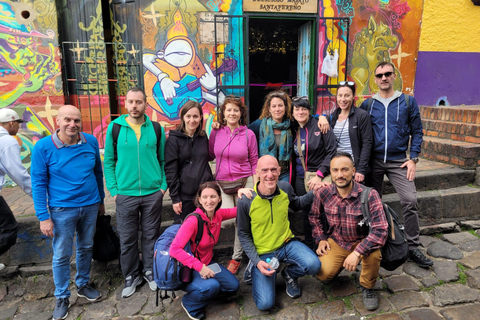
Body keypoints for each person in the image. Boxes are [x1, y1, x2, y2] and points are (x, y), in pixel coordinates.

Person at [31, 105, 105, 320]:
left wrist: (100, 201)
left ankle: (82, 284)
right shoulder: (43, 147)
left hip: (90, 205)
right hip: (61, 210)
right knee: (62, 254)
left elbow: (97, 173)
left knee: (86, 247)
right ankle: (62, 296)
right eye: (67, 120)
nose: (72, 124)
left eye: (76, 120)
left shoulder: (90, 141)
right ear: (58, 121)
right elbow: (38, 183)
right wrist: (43, 217)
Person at [360, 61, 433, 268]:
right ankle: (375, 242)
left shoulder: (407, 102)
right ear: (375, 79)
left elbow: (417, 131)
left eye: (387, 74)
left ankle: (412, 246)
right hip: (373, 162)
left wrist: (414, 158)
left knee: (409, 200)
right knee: (370, 204)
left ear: (394, 76)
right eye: (380, 75)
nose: (384, 78)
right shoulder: (367, 105)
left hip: (399, 161)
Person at [104, 87, 167, 298]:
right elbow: (109, 162)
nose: (134, 106)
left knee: (151, 235)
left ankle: (150, 271)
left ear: (145, 104)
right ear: (126, 104)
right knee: (127, 238)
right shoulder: (115, 128)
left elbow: (163, 160)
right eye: (130, 102)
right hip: (125, 194)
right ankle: (131, 275)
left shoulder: (156, 129)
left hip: (152, 193)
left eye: (138, 102)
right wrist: (114, 190)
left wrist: (162, 187)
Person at [237, 155, 322, 311]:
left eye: (273, 169)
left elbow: (297, 204)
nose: (270, 174)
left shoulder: (285, 187)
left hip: (286, 244)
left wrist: (314, 192)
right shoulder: (246, 199)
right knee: (265, 304)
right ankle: (253, 267)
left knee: (314, 265)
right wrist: (257, 260)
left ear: (279, 170)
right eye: (265, 170)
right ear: (257, 173)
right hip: (263, 253)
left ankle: (289, 273)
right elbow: (243, 233)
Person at [309, 152, 388, 310]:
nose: (340, 175)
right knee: (323, 274)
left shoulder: (369, 194)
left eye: (344, 170)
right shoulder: (323, 193)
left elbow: (380, 230)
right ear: (330, 172)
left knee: (374, 255)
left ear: (353, 171)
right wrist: (321, 238)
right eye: (335, 170)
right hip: (337, 241)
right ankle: (339, 265)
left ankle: (367, 286)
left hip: (363, 242)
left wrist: (357, 252)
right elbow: (314, 216)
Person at [170, 182, 241, 320]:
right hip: (190, 268)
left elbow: (237, 210)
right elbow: (174, 249)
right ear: (199, 199)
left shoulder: (217, 215)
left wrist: (244, 193)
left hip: (208, 264)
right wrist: (200, 267)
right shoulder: (193, 221)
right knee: (212, 286)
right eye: (205, 197)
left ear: (220, 198)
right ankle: (189, 303)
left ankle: (206, 292)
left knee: (233, 286)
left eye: (213, 196)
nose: (209, 201)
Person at [209, 95, 258, 274]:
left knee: (241, 221)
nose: (232, 113)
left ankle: (236, 258)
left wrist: (256, 184)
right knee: (225, 222)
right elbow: (209, 153)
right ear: (223, 112)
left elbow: (254, 160)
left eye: (236, 110)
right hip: (222, 182)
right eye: (229, 109)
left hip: (245, 181)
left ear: (240, 113)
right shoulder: (216, 132)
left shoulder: (248, 134)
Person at [290, 96, 337, 250]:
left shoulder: (320, 125)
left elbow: (332, 152)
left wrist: (319, 175)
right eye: (297, 109)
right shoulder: (293, 127)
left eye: (304, 108)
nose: (300, 111)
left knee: (322, 211)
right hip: (301, 177)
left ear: (309, 111)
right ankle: (311, 246)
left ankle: (325, 244)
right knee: (306, 212)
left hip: (320, 176)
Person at [165, 101, 213, 224]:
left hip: (204, 194)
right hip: (184, 196)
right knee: (183, 231)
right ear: (183, 118)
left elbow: (206, 160)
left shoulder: (203, 137)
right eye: (188, 116)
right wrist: (175, 198)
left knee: (204, 230)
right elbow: (171, 170)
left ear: (201, 118)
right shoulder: (173, 140)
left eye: (195, 116)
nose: (192, 120)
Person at [322, 82, 373, 183]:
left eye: (347, 95)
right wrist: (321, 117)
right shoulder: (333, 117)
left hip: (353, 169)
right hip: (336, 168)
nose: (343, 99)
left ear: (353, 96)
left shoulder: (361, 115)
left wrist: (361, 170)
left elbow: (367, 143)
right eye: (340, 95)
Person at [0, 109, 32, 271]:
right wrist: (36, 193)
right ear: (11, 123)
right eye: (18, 124)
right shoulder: (7, 141)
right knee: (9, 228)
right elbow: (18, 173)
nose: (19, 128)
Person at [248, 91, 293, 181]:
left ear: (285, 107)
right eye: (274, 106)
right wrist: (219, 125)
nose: (277, 109)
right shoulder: (259, 125)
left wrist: (321, 118)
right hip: (266, 173)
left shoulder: (291, 125)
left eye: (280, 105)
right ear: (269, 109)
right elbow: (241, 132)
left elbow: (307, 119)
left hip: (285, 173)